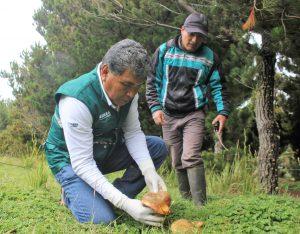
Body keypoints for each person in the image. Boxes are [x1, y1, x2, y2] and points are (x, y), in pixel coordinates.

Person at [44, 39, 168, 226]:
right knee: (102, 219)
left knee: (157, 147)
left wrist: (149, 170)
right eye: (126, 85)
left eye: (137, 87)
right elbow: (83, 163)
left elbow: (133, 133)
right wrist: (125, 204)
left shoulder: (129, 93)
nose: (131, 94)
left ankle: (110, 196)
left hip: (102, 149)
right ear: (104, 72)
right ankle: (73, 193)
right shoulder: (77, 100)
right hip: (70, 160)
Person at [146, 13, 229, 207]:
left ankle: (200, 204)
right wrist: (155, 108)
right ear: (182, 30)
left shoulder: (209, 57)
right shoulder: (164, 51)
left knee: (190, 156)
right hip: (167, 114)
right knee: (176, 161)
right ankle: (186, 200)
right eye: (191, 34)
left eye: (200, 36)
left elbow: (219, 87)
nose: (194, 40)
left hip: (194, 114)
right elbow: (152, 82)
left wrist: (222, 112)